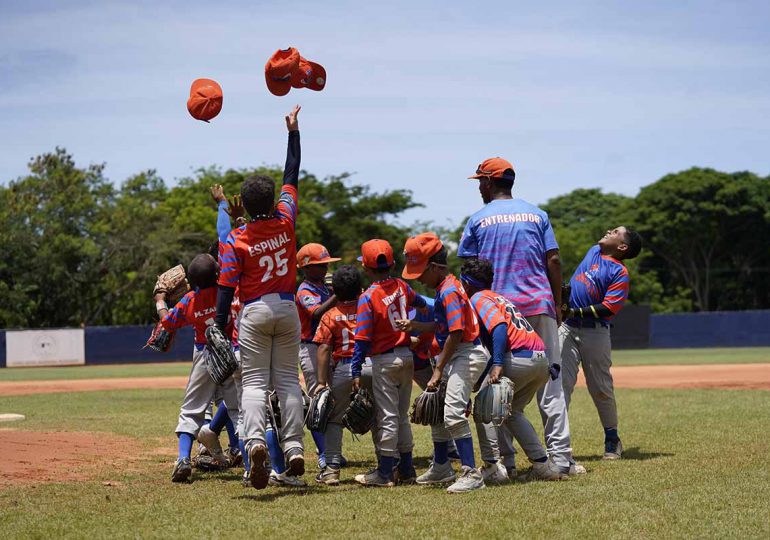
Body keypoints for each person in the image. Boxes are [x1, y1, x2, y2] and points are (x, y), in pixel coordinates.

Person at [458, 157, 576, 478]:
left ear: (489, 182)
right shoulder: (537, 215)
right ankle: (561, 459)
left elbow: (469, 269)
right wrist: (557, 303)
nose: (479, 187)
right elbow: (553, 260)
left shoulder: (478, 220)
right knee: (551, 385)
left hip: (498, 309)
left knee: (497, 385)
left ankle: (505, 463)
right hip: (539, 304)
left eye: (480, 181)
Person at [214, 105, 305, 490]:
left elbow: (225, 286)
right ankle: (295, 447)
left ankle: (253, 443)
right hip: (287, 307)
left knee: (252, 383)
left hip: (253, 311)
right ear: (270, 202)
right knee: (287, 381)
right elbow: (292, 173)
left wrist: (218, 325)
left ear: (245, 206)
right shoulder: (286, 219)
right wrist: (293, 132)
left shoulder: (238, 239)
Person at [461, 258, 566, 481]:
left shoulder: (478, 298)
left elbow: (499, 327)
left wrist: (498, 363)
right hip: (539, 359)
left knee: (485, 407)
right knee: (513, 412)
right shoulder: (497, 297)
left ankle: (493, 467)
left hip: (518, 358)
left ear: (466, 284)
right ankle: (542, 465)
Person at [397, 232, 487, 493]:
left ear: (435, 267)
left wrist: (437, 370)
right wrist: (415, 325)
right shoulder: (444, 287)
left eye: (420, 272)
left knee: (453, 412)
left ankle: (471, 473)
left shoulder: (448, 292)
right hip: (457, 352)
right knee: (437, 409)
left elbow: (456, 333)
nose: (418, 279)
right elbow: (441, 326)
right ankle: (441, 466)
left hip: (465, 353)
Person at [155, 253, 240, 483]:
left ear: (191, 282)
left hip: (205, 353)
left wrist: (160, 300)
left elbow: (167, 322)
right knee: (238, 411)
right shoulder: (228, 292)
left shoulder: (189, 300)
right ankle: (249, 462)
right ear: (217, 274)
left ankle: (183, 458)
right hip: (229, 352)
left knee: (191, 409)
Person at [560, 226, 642, 460]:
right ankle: (558, 445)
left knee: (601, 389)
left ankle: (612, 439)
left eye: (615, 232)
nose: (609, 230)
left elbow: (608, 307)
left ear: (622, 246)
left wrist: (573, 310)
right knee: (560, 387)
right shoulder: (594, 251)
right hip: (567, 328)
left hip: (595, 333)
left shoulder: (619, 272)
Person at [350, 239, 427, 487]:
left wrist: (355, 368)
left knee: (387, 416)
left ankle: (385, 473)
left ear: (366, 268)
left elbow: (362, 338)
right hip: (406, 356)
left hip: (384, 360)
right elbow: (421, 302)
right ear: (393, 264)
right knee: (401, 416)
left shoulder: (368, 296)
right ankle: (407, 469)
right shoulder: (402, 286)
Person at [313, 264, 374, 485]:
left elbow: (323, 348)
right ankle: (388, 465)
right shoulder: (369, 309)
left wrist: (321, 382)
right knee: (379, 416)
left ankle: (331, 469)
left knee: (333, 419)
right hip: (372, 364)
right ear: (360, 289)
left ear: (335, 292)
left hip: (344, 368)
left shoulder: (330, 315)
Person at [295, 242, 340, 469]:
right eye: (320, 265)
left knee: (333, 400)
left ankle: (331, 450)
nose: (325, 268)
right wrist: (338, 295)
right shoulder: (304, 290)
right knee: (317, 400)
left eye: (326, 264)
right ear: (306, 267)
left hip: (328, 345)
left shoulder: (323, 287)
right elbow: (315, 313)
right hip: (311, 347)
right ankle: (323, 452)